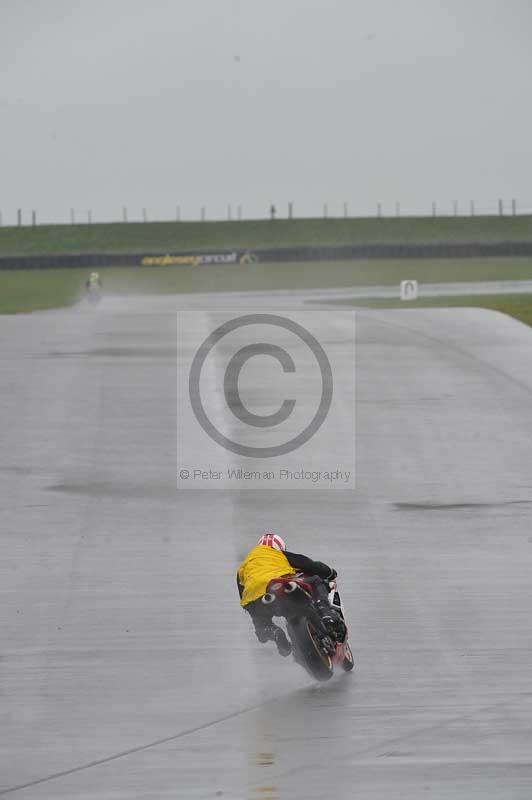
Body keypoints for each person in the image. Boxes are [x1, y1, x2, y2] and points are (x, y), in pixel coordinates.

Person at [237, 532, 345, 657]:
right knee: (316, 581)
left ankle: (275, 632)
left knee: (262, 626)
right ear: (279, 547)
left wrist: (254, 612)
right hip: (278, 584)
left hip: (255, 598)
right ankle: (326, 613)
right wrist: (329, 572)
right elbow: (309, 564)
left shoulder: (244, 565)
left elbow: (242, 595)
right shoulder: (277, 553)